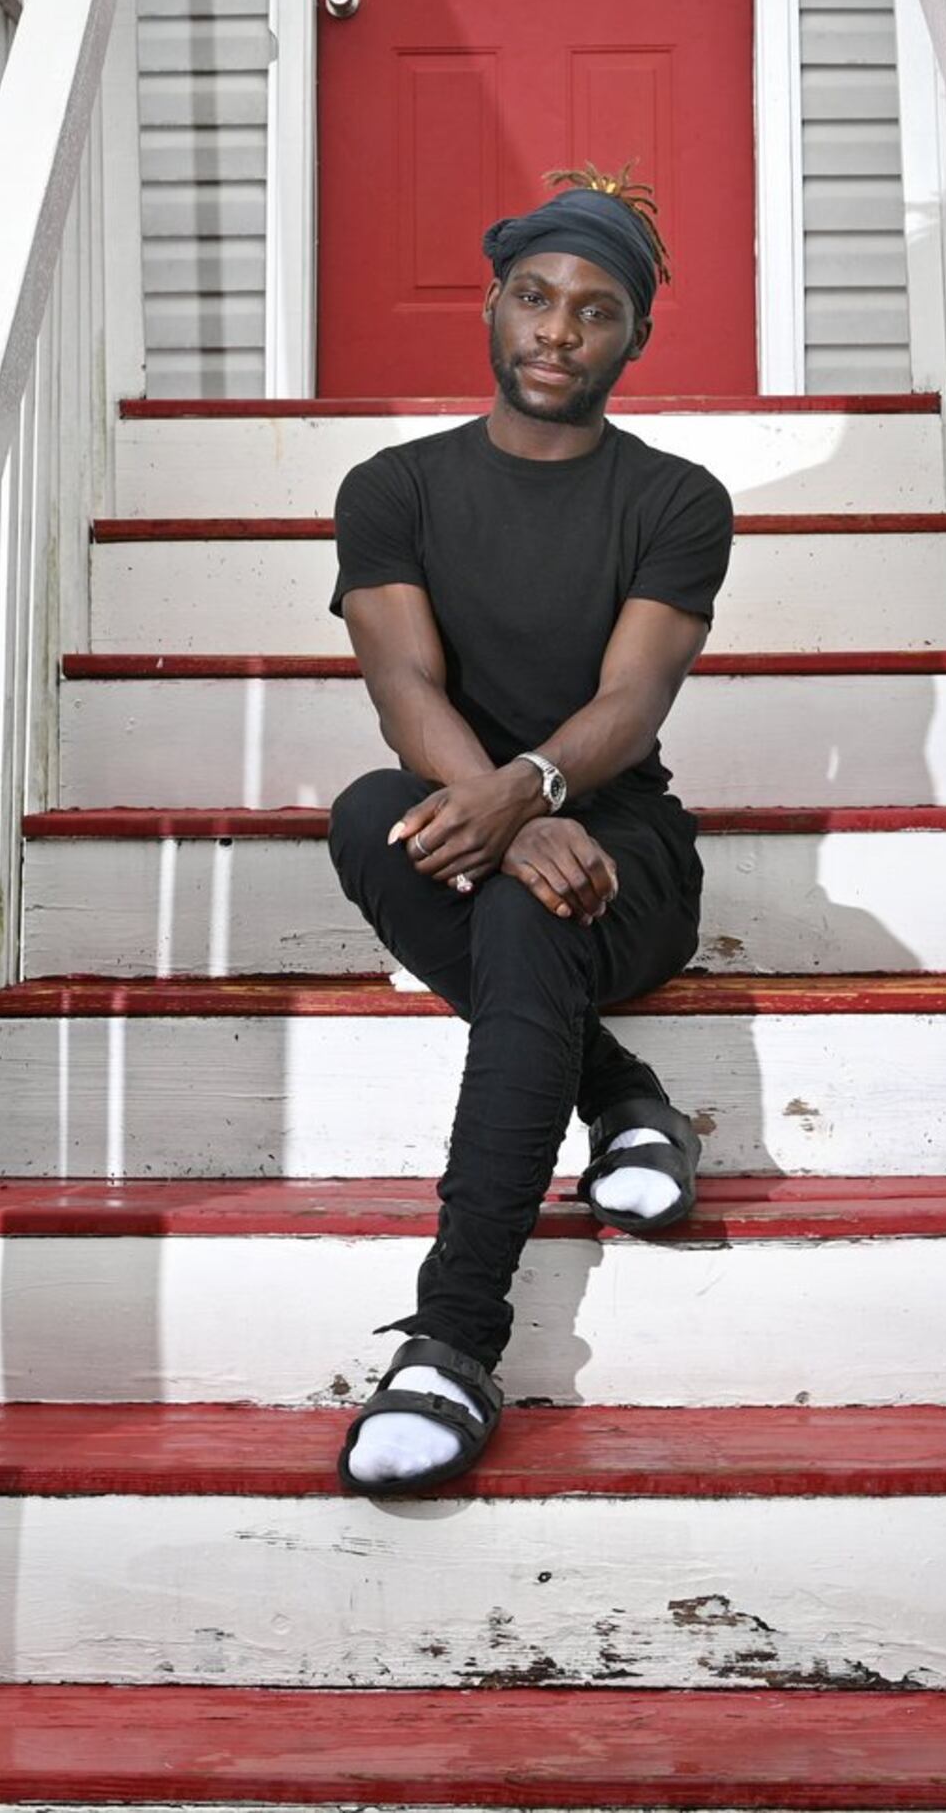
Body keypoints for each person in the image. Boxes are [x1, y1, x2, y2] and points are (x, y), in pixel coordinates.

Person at [320, 170, 733, 1497]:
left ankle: (453, 1339)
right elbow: (404, 691)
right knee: (368, 817)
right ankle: (617, 1093)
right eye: (538, 298)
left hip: (632, 863)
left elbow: (631, 698)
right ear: (495, 305)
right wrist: (504, 814)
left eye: (597, 310)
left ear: (636, 337)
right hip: (485, 828)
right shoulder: (395, 487)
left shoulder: (676, 499)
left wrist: (535, 790)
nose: (560, 330)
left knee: (516, 902)